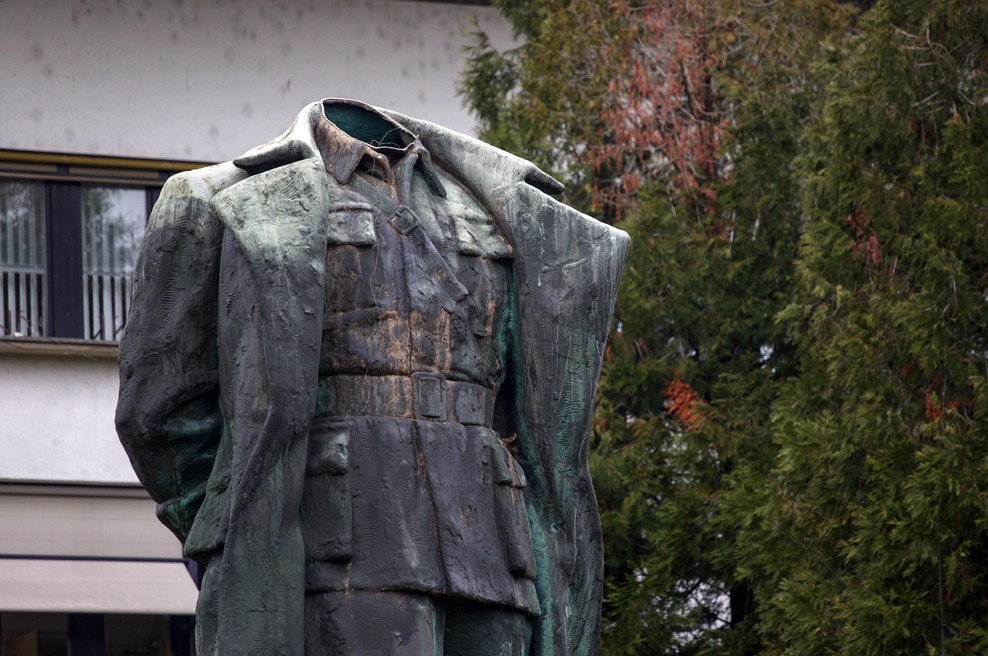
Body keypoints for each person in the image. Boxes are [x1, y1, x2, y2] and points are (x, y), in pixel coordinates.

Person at [116, 99, 628, 656]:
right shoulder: (217, 199)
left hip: (494, 550)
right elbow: (158, 411)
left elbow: (532, 403)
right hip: (339, 543)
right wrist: (244, 517)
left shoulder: (489, 203)